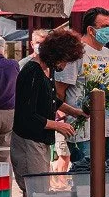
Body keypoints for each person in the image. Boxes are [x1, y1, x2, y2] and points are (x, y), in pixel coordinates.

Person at [11, 28, 84, 186]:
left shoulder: (47, 71)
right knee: (36, 189)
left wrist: (75, 112)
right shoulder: (32, 72)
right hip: (29, 140)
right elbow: (27, 115)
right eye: (64, 60)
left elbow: (51, 99)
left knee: (41, 187)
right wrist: (57, 126)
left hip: (41, 139)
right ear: (55, 54)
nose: (65, 65)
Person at [59, 7, 109, 170]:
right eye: (105, 26)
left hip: (107, 125)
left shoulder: (107, 53)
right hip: (83, 127)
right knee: (86, 177)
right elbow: (59, 90)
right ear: (91, 30)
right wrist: (71, 113)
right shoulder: (75, 52)